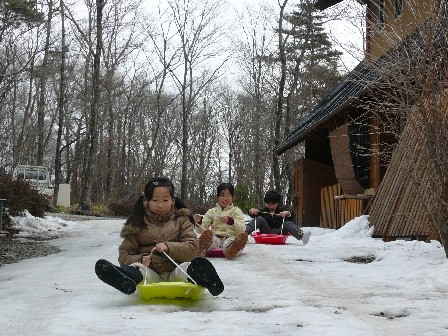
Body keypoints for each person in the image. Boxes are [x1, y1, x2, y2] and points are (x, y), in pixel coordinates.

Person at [95, 177, 224, 297]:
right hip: (151, 272)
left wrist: (169, 247)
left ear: (173, 200)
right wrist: (140, 259)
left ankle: (207, 279)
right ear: (146, 201)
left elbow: (192, 247)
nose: (160, 205)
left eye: (165, 200)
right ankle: (124, 279)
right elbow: (124, 254)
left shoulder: (182, 220)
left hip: (176, 269)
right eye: (155, 200)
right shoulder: (138, 223)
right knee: (137, 269)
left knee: (189, 267)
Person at [194, 183, 248, 260]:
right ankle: (202, 246)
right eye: (222, 195)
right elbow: (201, 230)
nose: (225, 198)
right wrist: (199, 222)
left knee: (231, 242)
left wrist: (232, 222)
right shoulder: (212, 212)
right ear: (217, 197)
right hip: (216, 237)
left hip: (230, 237)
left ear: (233, 198)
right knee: (211, 239)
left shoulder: (236, 211)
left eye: (228, 195)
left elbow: (242, 229)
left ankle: (233, 250)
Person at [246, 190, 311, 244]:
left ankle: (302, 236)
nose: (271, 207)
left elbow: (292, 216)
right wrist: (251, 211)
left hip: (279, 231)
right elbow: (252, 214)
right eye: (269, 204)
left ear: (277, 203)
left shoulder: (281, 210)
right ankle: (244, 233)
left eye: (273, 204)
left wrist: (287, 213)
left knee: (287, 223)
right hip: (266, 231)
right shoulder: (262, 211)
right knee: (259, 219)